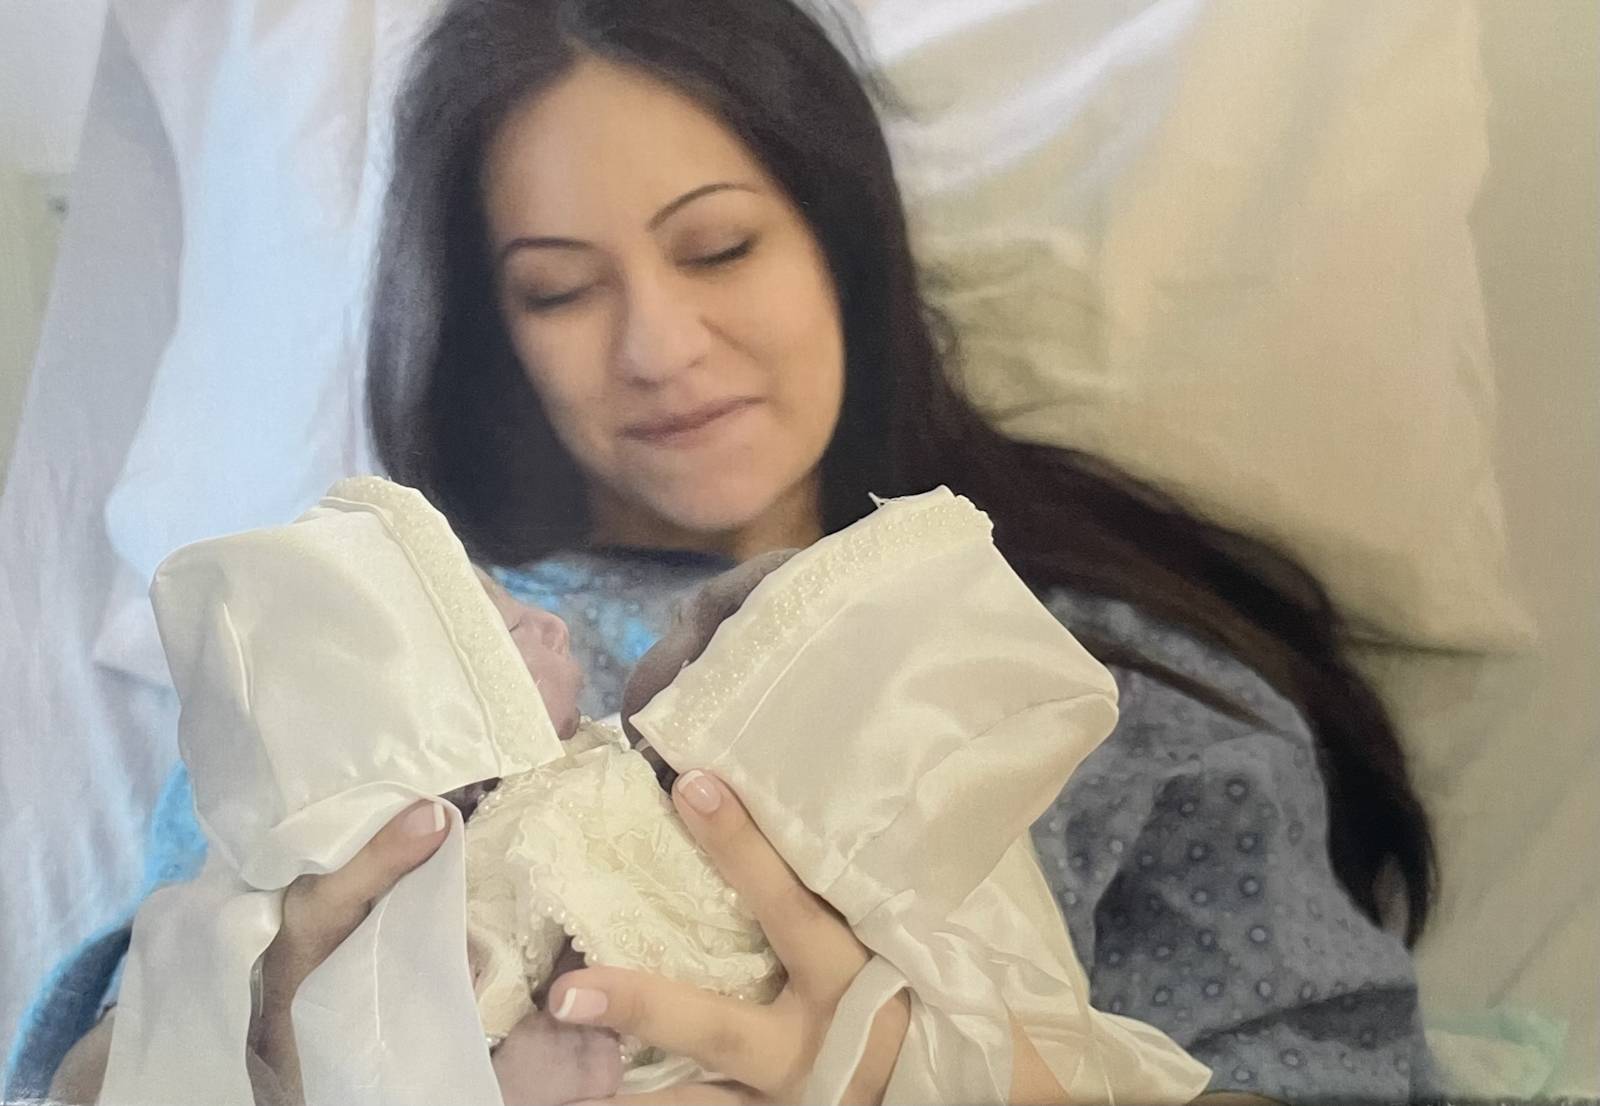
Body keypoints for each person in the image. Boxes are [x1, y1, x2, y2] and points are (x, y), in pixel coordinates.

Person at [12, 0, 1440, 1102]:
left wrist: (953, 1078)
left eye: (718, 248)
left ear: (838, 237)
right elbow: (83, 1069)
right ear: (491, 334)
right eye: (560, 290)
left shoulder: (1068, 665)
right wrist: (247, 1037)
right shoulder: (364, 630)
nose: (659, 347)